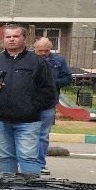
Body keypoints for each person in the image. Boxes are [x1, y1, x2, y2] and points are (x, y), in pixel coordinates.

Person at [0, 24, 56, 175]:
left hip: (28, 122)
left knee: (28, 158)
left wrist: (32, 107)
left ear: (24, 39)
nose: (11, 40)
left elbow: (49, 92)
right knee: (5, 157)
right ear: (4, 39)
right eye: (8, 36)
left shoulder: (37, 62)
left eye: (16, 36)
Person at [33, 37, 72, 166]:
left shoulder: (59, 61)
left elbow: (67, 78)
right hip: (29, 103)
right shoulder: (28, 60)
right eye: (40, 50)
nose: (43, 53)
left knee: (43, 135)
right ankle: (27, 162)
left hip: (48, 103)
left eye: (47, 50)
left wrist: (50, 83)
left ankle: (40, 164)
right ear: (35, 49)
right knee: (27, 133)